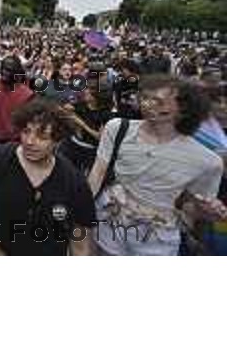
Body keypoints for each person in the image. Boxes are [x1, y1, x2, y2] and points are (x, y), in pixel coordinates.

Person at [88, 75, 224, 256]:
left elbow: (192, 211)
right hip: (107, 231)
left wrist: (207, 212)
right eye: (143, 97)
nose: (146, 105)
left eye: (158, 101)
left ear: (182, 108)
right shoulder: (117, 128)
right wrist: (81, 214)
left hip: (156, 244)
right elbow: (96, 175)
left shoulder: (208, 161)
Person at [0, 99, 95, 255]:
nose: (29, 142)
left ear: (57, 141)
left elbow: (80, 243)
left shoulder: (74, 183)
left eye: (42, 137)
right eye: (26, 131)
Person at [0, 55, 34, 156]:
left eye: (9, 70)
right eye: (3, 68)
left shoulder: (27, 95)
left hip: (11, 145)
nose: (4, 72)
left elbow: (28, 123)